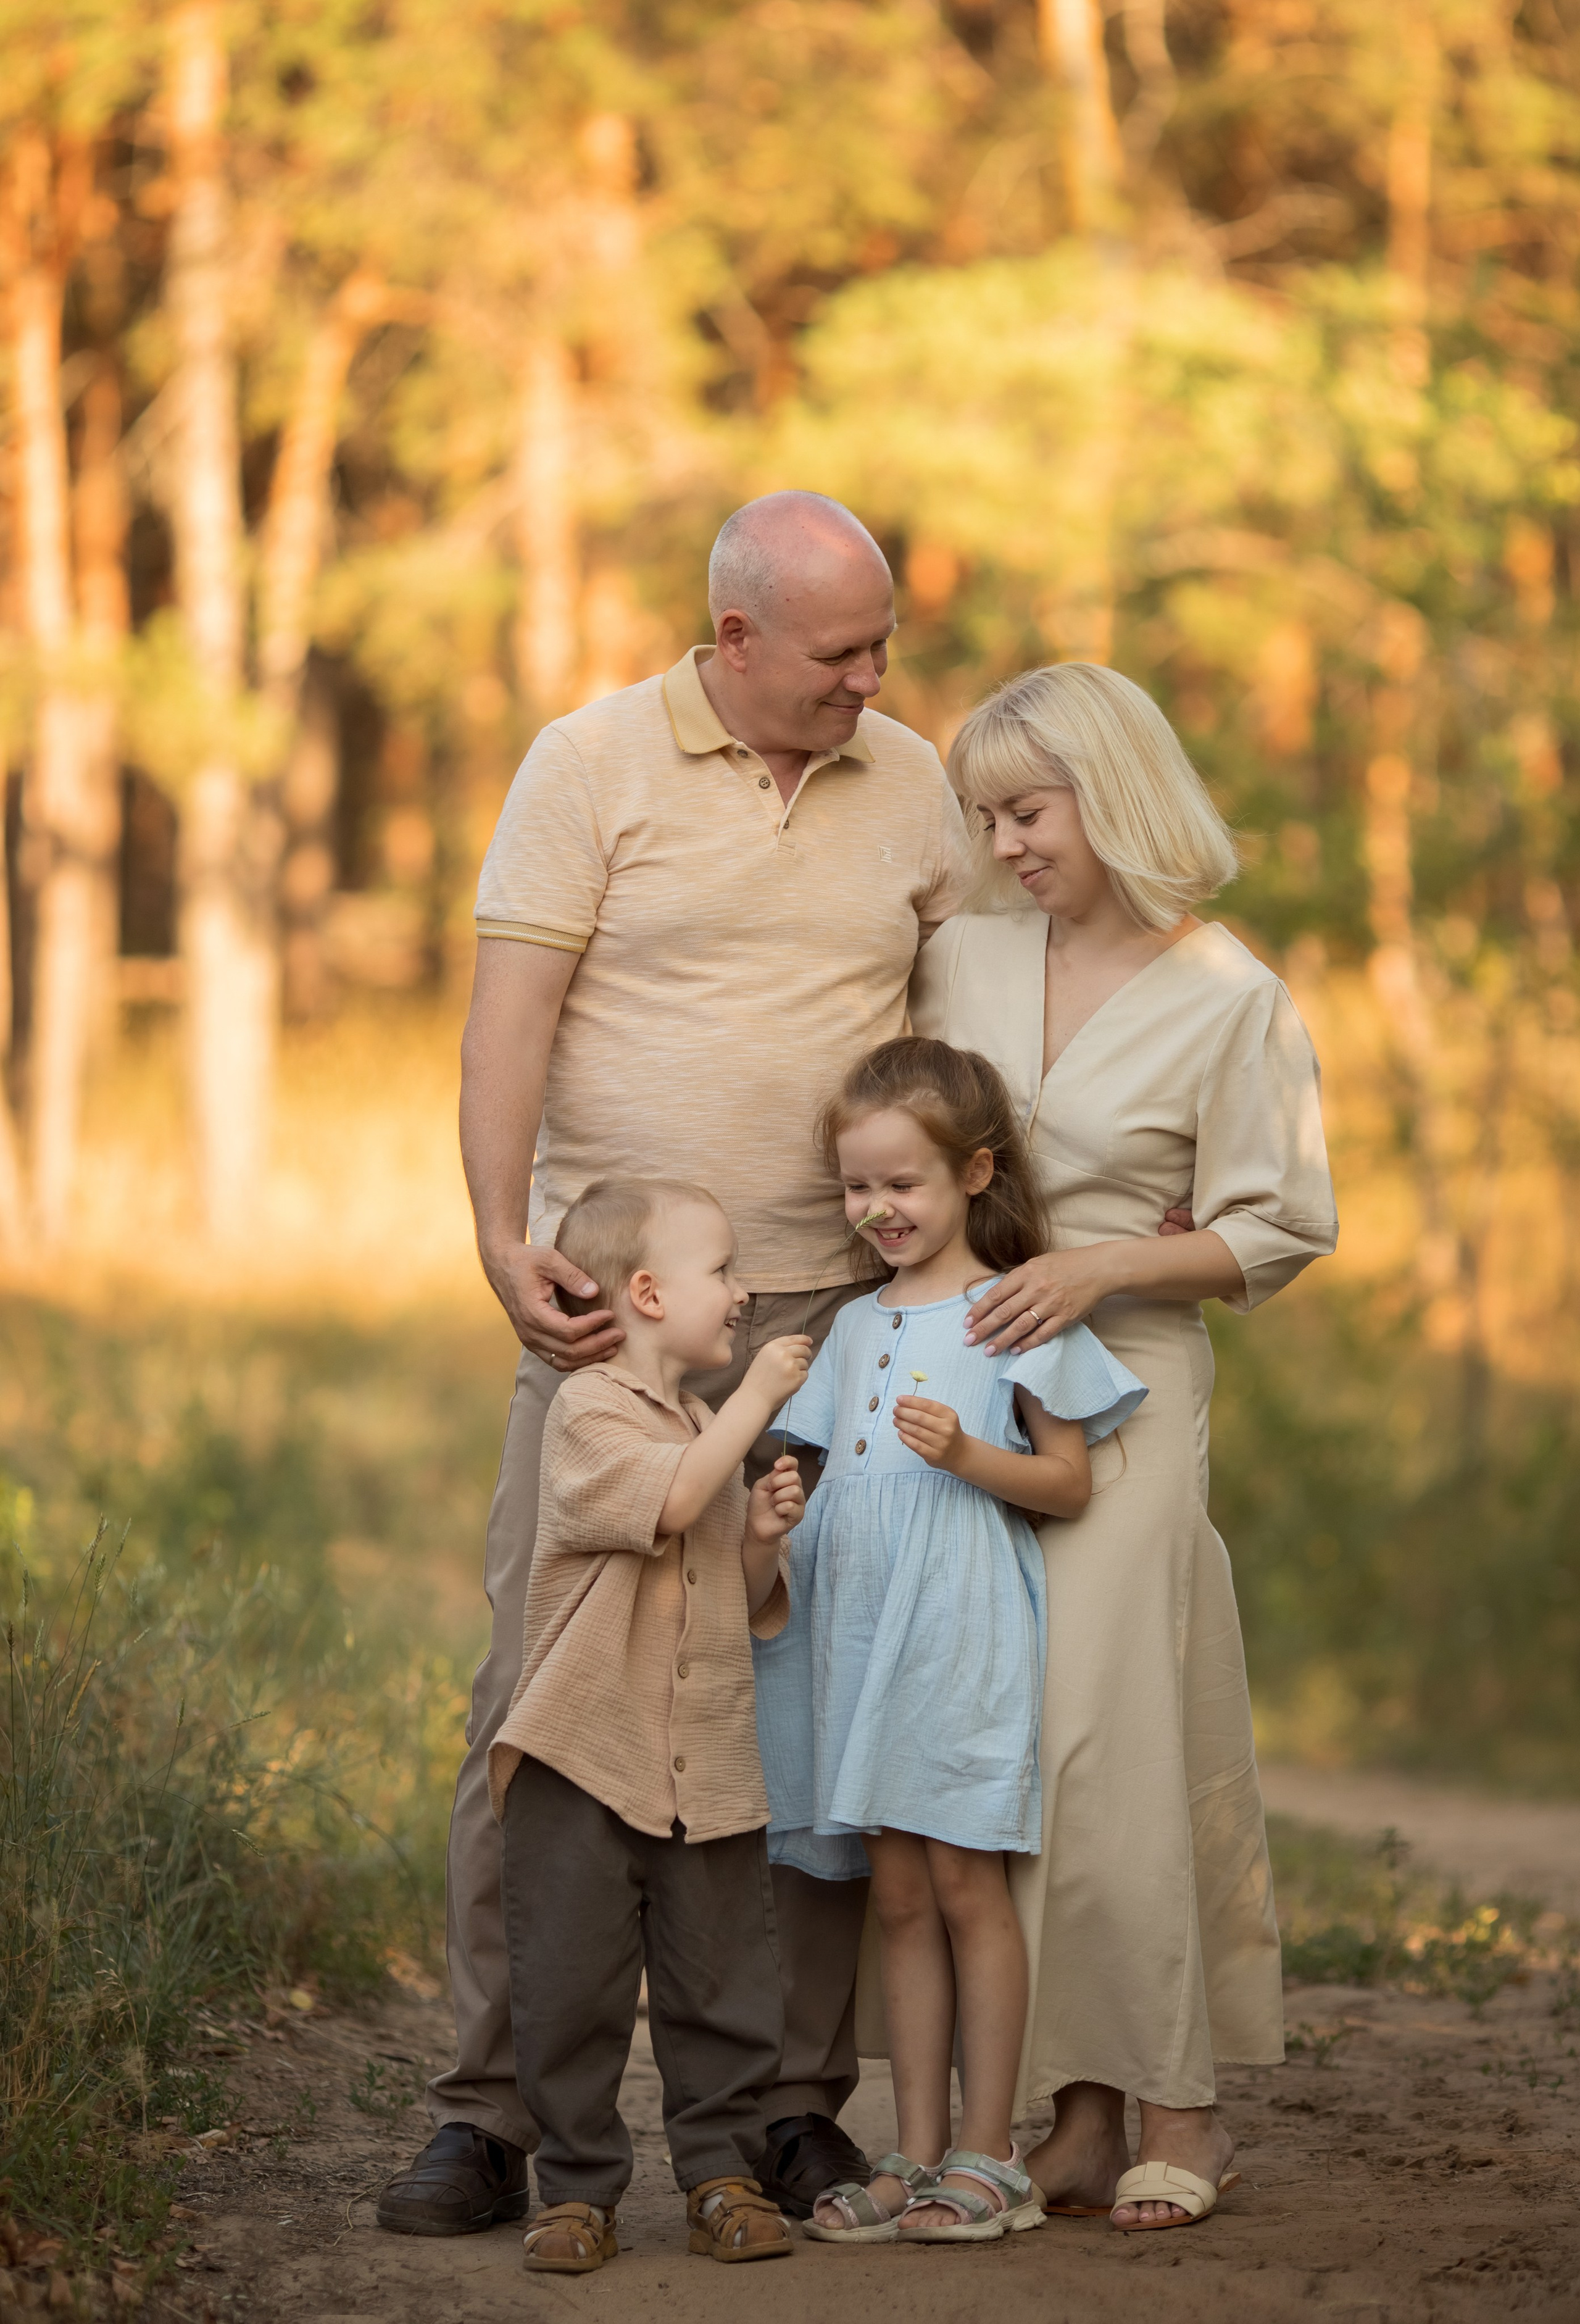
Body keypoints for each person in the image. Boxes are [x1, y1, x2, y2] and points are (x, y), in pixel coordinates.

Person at [378, 490, 973, 2237]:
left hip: (834, 1323)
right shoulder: (588, 764)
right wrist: (504, 1238)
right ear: (733, 639)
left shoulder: (916, 783)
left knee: (794, 1712)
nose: (872, 678)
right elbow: (511, 1021)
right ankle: (492, 2109)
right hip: (616, 1325)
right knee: (545, 1708)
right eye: (839, 651)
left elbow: (962, 1043)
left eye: (883, 646)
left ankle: (787, 2104)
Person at [910, 662, 1338, 2232]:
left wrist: (1108, 1264)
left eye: (1026, 811)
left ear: (1114, 793)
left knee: (1106, 1732)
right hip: (962, 1384)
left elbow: (1278, 1224)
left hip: (1130, 1385)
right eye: (985, 816)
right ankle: (1074, 2113)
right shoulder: (960, 954)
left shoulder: (1230, 994)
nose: (1005, 843)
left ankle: (1182, 2105)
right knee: (1013, 1740)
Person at [755, 1038, 1146, 2246]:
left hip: (958, 1629)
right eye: (854, 1187)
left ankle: (989, 2151)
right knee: (902, 1896)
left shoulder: (1011, 1309)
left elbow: (1068, 1481)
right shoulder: (852, 1324)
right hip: (859, 1636)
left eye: (901, 1184)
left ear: (974, 1172)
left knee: (968, 1884)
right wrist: (779, 1507)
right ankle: (912, 2148)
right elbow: (820, 1470)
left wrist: (966, 1454)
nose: (875, 1208)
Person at [488, 1177, 809, 2271]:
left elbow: (724, 1578)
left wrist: (760, 1534)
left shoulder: (705, 1425)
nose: (743, 1291)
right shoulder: (589, 1412)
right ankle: (577, 2186)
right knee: (572, 1983)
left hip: (703, 1757)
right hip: (586, 1755)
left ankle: (721, 2167)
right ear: (645, 1293)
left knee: (723, 1979)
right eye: (722, 1270)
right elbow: (668, 1505)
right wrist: (761, 1401)